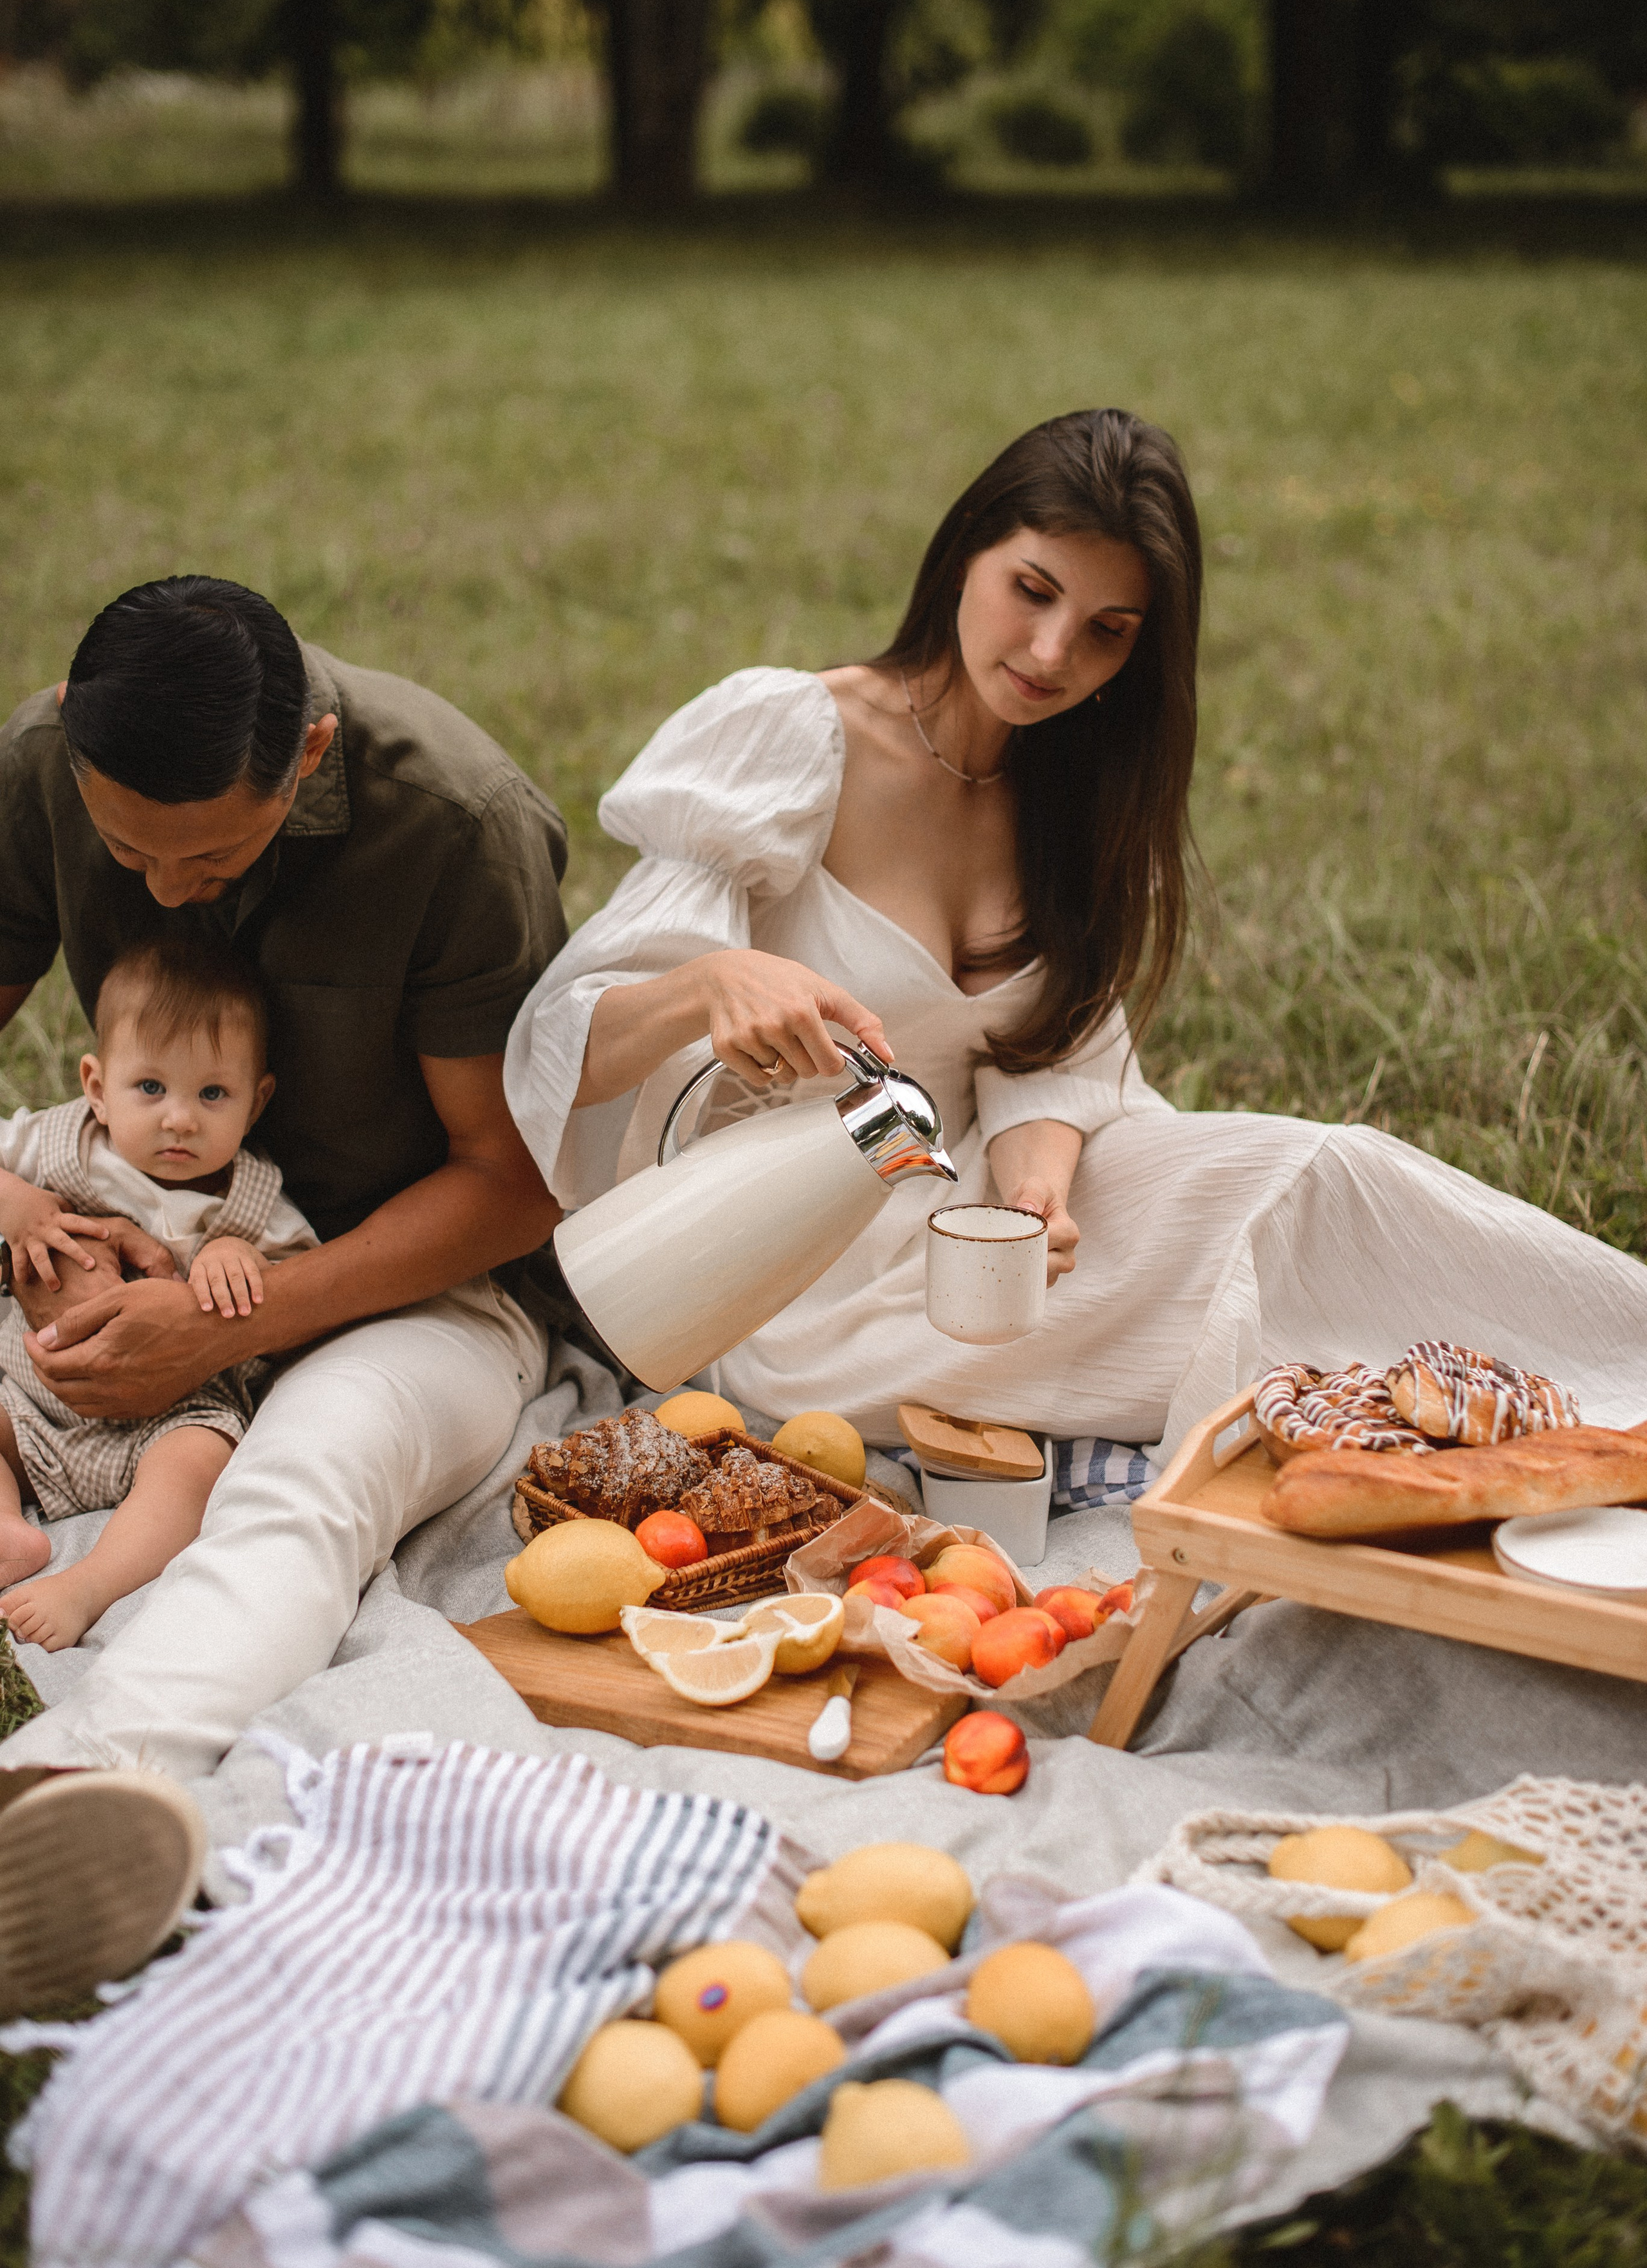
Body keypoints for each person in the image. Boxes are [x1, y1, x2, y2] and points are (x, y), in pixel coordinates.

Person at [504, 408, 1647, 1450]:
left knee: (1307, 1178)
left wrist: (1036, 1189)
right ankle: (1488, 1423)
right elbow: (569, 1046)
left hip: (985, 1228)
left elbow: (1057, 1056)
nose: (1053, 655)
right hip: (795, 1275)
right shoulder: (794, 738)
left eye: (1106, 630)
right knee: (1269, 1326)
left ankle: (1609, 1379)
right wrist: (715, 983)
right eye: (1032, 591)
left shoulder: (1077, 792)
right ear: (966, 554)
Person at [0, 574, 568, 2006]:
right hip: (124, 1240)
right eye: (127, 851)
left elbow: (512, 1181)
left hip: (418, 1291)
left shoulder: (456, 822)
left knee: (298, 1484)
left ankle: (78, 1785)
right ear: (75, 737)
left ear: (306, 758)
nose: (163, 893)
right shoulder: (38, 765)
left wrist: (216, 1318)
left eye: (208, 858)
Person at [0, 935, 320, 1652]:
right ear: (95, 1085)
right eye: (151, 1088)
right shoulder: (57, 1145)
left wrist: (240, 1262)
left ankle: (88, 1585)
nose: (180, 1118)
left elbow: (305, 1306)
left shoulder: (253, 1205)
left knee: (198, 1467)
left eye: (213, 1093)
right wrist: (14, 1200)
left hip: (173, 1413)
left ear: (258, 1100)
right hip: (29, 1390)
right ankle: (8, 1531)